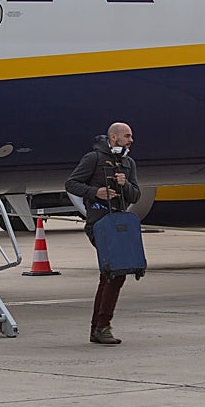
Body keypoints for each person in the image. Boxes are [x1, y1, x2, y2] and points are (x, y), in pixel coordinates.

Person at [64, 123, 140, 345]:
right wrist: (95, 192)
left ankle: (97, 327)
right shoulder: (94, 158)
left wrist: (124, 185)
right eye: (127, 136)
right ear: (113, 137)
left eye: (132, 136)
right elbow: (71, 183)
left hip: (119, 223)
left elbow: (136, 196)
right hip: (99, 222)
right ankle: (103, 326)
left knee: (110, 274)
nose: (131, 140)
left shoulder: (128, 163)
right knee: (116, 272)